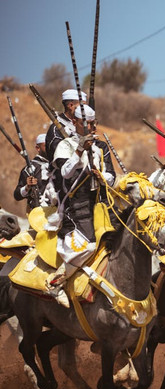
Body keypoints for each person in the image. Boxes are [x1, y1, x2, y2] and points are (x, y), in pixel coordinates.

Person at [45, 105, 114, 308]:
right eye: (88, 123)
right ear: (75, 122)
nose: (92, 126)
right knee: (90, 246)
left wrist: (104, 177)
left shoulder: (99, 148)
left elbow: (110, 175)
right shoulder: (65, 145)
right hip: (76, 207)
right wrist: (80, 149)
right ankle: (56, 282)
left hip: (100, 204)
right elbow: (65, 172)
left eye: (94, 123)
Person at [45, 89, 87, 162]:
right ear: (70, 105)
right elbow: (61, 162)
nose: (86, 109)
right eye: (82, 106)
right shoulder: (56, 130)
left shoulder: (84, 126)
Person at [13, 134, 51, 212]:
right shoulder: (30, 169)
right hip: (38, 215)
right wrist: (27, 187)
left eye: (50, 145)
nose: (49, 148)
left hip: (58, 214)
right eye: (45, 146)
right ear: (38, 148)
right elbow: (17, 195)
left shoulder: (58, 165)